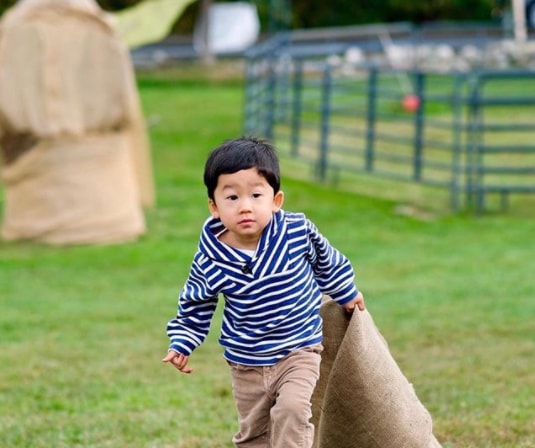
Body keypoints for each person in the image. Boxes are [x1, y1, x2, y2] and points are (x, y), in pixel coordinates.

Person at [162, 136, 365, 448]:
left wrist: (345, 292)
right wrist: (183, 342)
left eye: (256, 195)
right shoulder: (210, 258)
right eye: (232, 198)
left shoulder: (296, 232)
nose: (245, 207)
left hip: (299, 349)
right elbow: (196, 303)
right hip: (246, 361)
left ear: (276, 200)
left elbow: (327, 259)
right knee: (253, 435)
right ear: (214, 207)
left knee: (293, 411)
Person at [0, 0, 154, 245]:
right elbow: (124, 101)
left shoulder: (18, 25)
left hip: (38, 156)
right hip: (112, 210)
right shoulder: (99, 25)